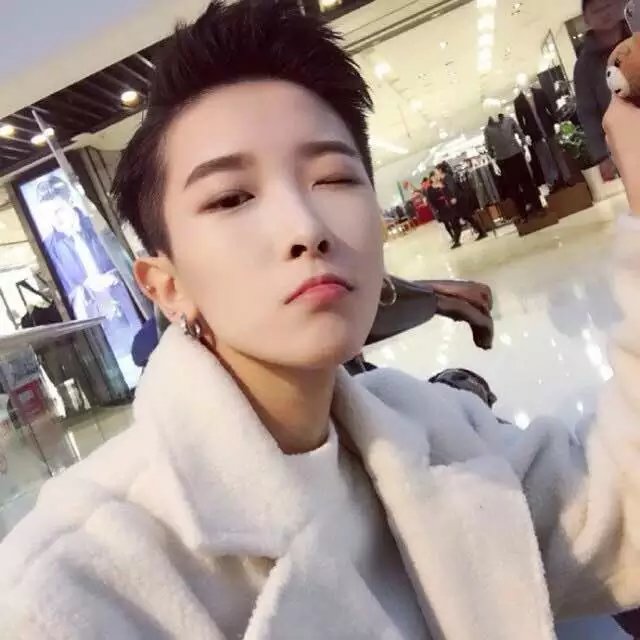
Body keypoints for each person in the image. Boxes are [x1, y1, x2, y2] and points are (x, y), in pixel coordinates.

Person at [1, 2, 640, 638]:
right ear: (167, 287)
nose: (305, 228)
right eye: (231, 197)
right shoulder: (71, 589)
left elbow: (616, 517)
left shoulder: (431, 426)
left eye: (333, 178)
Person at [575, 0, 629, 181]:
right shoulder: (584, 66)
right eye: (597, 10)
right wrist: (602, 156)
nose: (605, 13)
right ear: (586, 19)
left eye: (608, 5)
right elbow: (588, 113)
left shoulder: (636, 36)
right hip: (625, 144)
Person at [436, 162, 488, 240]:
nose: (436, 172)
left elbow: (452, 188)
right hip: (456, 202)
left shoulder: (447, 177)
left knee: (464, 218)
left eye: (436, 170)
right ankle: (479, 233)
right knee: (464, 218)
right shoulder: (444, 178)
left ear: (440, 170)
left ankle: (480, 233)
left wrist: (453, 197)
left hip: (458, 201)